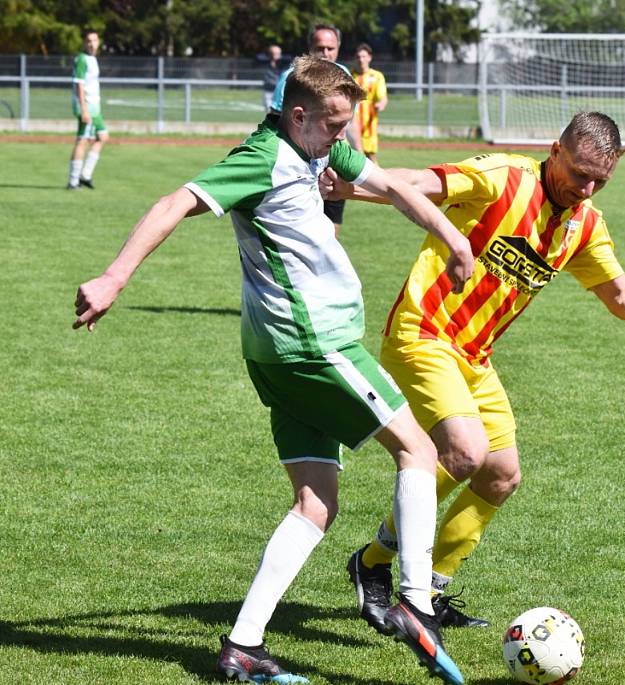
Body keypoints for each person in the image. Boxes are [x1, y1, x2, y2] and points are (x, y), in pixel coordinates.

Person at [72, 56, 473, 685]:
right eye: (335, 123)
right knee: (419, 452)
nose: (344, 135)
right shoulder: (262, 158)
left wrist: (453, 238)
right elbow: (175, 201)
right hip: (314, 346)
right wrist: (114, 276)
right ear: (298, 115)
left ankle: (243, 645)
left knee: (315, 504)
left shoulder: (320, 149)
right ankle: (416, 599)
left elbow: (393, 186)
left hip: (273, 355)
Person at [323, 111, 625, 634]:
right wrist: (348, 185)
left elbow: (622, 299)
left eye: (600, 180)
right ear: (554, 149)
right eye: (579, 173)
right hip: (424, 335)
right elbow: (422, 184)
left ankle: (424, 585)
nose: (587, 188)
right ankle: (378, 565)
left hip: (475, 357)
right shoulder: (503, 176)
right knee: (465, 452)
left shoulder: (584, 224)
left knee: (501, 475)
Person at [270, 23, 362, 235]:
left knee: (332, 227)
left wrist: (360, 155)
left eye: (331, 48)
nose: (325, 53)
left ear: (338, 47)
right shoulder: (292, 78)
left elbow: (351, 123)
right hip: (301, 165)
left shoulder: (345, 75)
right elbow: (275, 120)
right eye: (320, 48)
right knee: (301, 228)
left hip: (334, 162)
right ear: (310, 48)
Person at [66, 28, 109, 190]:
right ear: (85, 43)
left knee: (103, 137)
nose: (92, 44)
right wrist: (84, 110)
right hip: (87, 107)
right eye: (89, 41)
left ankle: (85, 175)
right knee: (82, 141)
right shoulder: (82, 59)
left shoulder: (92, 59)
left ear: (98, 42)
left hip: (94, 108)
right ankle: (73, 181)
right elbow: (79, 84)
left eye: (95, 40)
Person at [352, 43, 388, 163]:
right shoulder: (350, 76)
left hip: (369, 124)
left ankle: (380, 181)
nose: (361, 59)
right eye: (358, 57)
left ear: (369, 57)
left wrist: (381, 104)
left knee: (370, 157)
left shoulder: (377, 76)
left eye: (364, 56)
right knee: (353, 157)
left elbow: (382, 97)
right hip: (352, 123)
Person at [261, 44, 285, 112]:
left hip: (279, 92)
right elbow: (257, 57)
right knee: (270, 112)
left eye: (278, 53)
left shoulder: (283, 63)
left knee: (279, 113)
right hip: (268, 91)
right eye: (274, 53)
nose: (276, 55)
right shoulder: (265, 62)